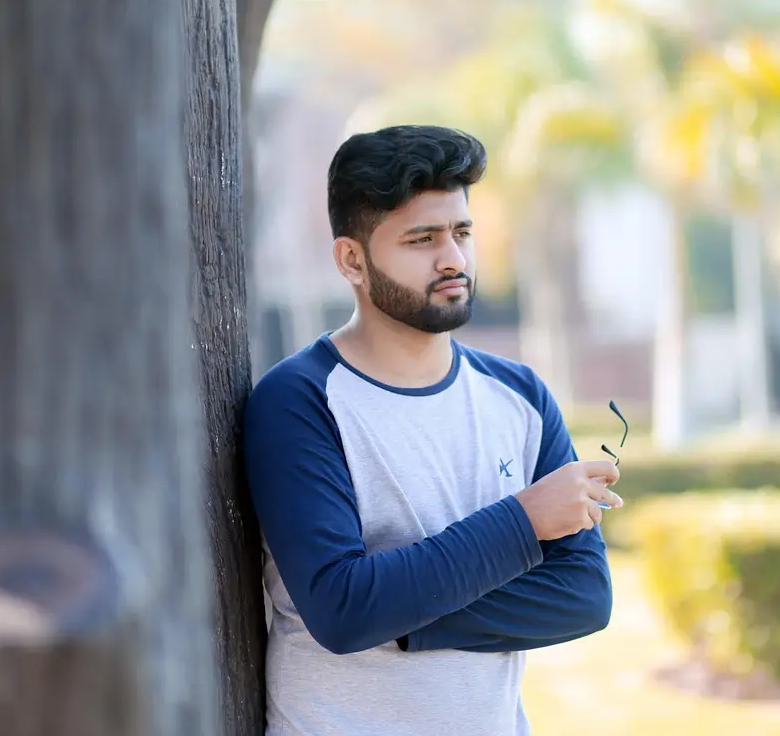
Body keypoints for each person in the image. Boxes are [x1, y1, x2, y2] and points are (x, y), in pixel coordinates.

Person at [243, 125, 622, 736]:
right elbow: (342, 610)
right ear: (352, 259)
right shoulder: (300, 401)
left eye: (462, 233)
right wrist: (525, 521)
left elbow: (582, 596)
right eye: (422, 239)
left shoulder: (520, 398)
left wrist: (404, 617)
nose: (453, 258)